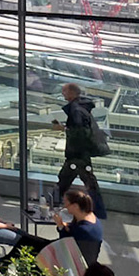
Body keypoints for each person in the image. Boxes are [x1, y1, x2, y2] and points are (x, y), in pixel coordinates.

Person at [55, 83, 108, 218]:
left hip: (77, 154)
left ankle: (54, 205)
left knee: (66, 180)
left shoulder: (75, 109)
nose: (63, 94)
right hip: (81, 153)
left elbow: (79, 131)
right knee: (84, 182)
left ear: (72, 93)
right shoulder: (82, 107)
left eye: (64, 91)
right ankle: (99, 210)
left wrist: (64, 129)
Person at [55, 188, 105, 262]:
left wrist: (60, 226)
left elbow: (65, 243)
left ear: (75, 206)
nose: (64, 206)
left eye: (66, 203)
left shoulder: (84, 229)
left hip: (77, 262)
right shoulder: (90, 217)